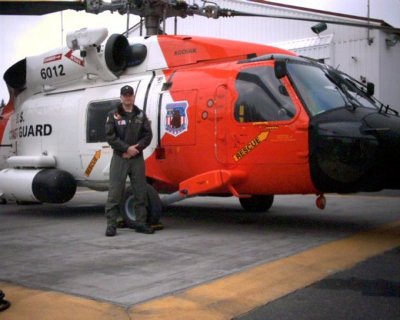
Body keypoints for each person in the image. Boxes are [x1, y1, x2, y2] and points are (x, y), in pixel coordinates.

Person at [104, 85, 153, 236]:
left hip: (136, 159)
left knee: (140, 192)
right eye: (125, 95)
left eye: (130, 95)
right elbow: (110, 136)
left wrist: (135, 149)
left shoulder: (141, 115)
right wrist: (126, 149)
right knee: (115, 193)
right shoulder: (113, 115)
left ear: (133, 97)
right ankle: (111, 225)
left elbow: (147, 136)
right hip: (120, 158)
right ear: (121, 97)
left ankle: (140, 223)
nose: (127, 97)